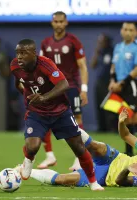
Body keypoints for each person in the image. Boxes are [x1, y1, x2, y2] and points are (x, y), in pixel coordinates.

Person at [10, 38, 104, 191]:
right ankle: (28, 160)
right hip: (37, 112)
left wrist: (43, 97)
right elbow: (18, 81)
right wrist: (25, 93)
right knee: (32, 146)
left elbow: (64, 84)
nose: (19, 56)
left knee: (79, 148)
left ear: (34, 53)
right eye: (17, 53)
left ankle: (93, 182)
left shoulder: (45, 64)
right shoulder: (15, 65)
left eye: (23, 53)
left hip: (60, 112)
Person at [16, 111, 137, 187]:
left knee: (62, 179)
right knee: (95, 146)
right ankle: (66, 125)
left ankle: (24, 170)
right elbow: (126, 135)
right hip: (115, 157)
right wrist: (121, 123)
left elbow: (120, 180)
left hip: (105, 177)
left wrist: (127, 169)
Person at [39, 11, 88, 169]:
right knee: (44, 118)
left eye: (61, 21)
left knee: (77, 119)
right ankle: (50, 156)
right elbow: (41, 67)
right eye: (56, 21)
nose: (59, 24)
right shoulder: (46, 43)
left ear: (66, 23)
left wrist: (84, 89)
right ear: (52, 23)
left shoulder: (73, 41)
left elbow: (82, 66)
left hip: (71, 86)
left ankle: (79, 158)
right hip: (53, 89)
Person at [108, 22, 137, 156]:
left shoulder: (135, 47)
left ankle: (131, 152)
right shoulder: (118, 47)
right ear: (121, 31)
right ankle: (129, 153)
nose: (128, 32)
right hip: (119, 87)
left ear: (135, 32)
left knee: (132, 118)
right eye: (125, 29)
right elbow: (113, 66)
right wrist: (113, 81)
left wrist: (122, 83)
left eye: (131, 30)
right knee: (125, 118)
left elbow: (136, 69)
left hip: (131, 85)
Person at [91, 34, 117, 132]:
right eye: (99, 41)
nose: (100, 43)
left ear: (107, 41)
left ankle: (111, 128)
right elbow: (93, 65)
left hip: (109, 82)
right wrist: (97, 51)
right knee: (99, 105)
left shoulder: (113, 51)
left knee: (109, 106)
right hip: (99, 82)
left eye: (102, 41)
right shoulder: (99, 52)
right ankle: (101, 128)